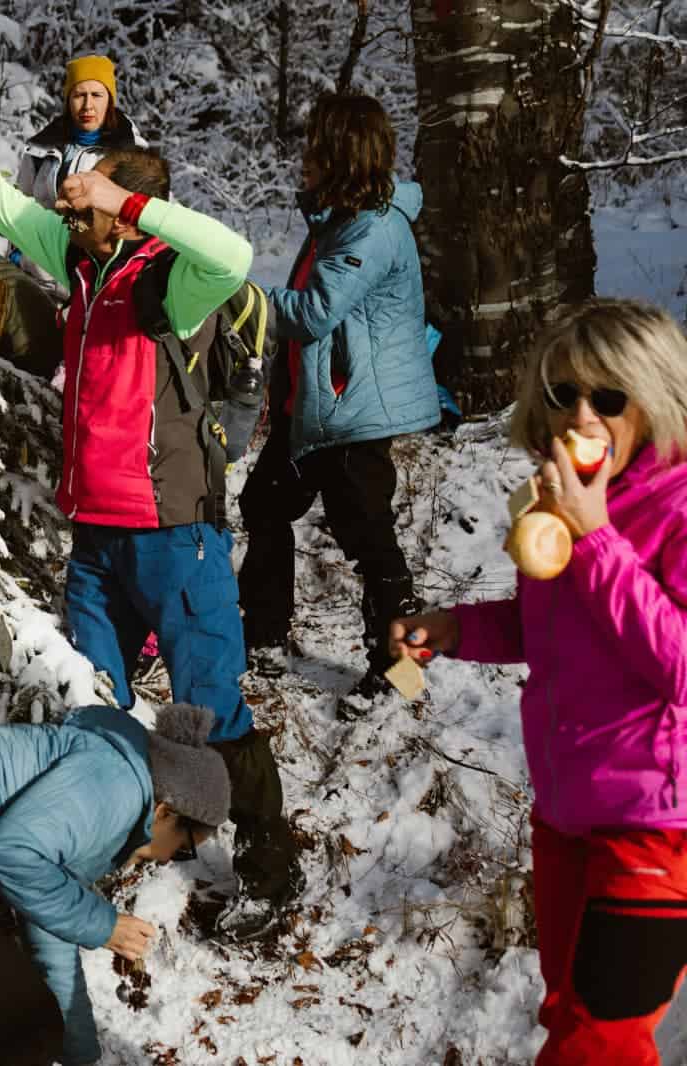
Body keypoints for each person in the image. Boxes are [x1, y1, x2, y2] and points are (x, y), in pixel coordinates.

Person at [0, 69, 301, 936]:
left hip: (175, 532)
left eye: (85, 206)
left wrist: (127, 207)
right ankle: (117, 842)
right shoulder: (86, 265)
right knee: (95, 700)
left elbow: (235, 255)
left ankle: (270, 856)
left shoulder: (174, 281)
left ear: (126, 211)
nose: (66, 219)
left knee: (208, 704)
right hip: (96, 532)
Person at [389, 300, 687, 1066]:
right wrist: (458, 629)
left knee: (600, 1041)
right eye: (561, 394)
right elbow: (550, 631)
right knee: (572, 1018)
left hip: (656, 829)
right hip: (565, 820)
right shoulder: (563, 506)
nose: (580, 416)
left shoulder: (675, 509)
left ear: (654, 401)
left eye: (608, 397)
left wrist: (597, 539)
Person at [236, 92, 439, 718]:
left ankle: (400, 672)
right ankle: (265, 636)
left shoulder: (373, 228)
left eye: (315, 147)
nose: (303, 158)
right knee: (263, 504)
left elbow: (314, 312)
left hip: (355, 415)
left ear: (342, 154)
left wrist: (237, 298)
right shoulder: (338, 220)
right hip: (314, 411)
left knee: (369, 539)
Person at [0, 703, 232, 1066]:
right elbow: (10, 852)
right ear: (165, 812)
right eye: (183, 849)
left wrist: (82, 1056)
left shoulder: (113, 791)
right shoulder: (114, 788)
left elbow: (49, 928)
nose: (168, 860)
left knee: (35, 1028)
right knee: (29, 1028)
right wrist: (104, 924)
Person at [12, 54, 148, 300]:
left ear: (110, 100)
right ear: (68, 100)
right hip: (31, 279)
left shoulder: (132, 155)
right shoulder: (41, 149)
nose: (87, 105)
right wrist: (17, 253)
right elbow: (19, 205)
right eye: (79, 95)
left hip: (91, 291)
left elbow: (141, 228)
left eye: (97, 95)